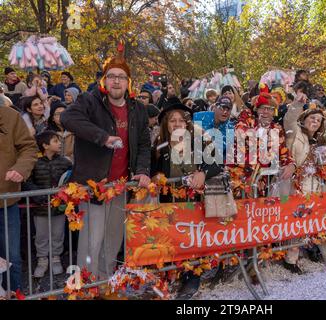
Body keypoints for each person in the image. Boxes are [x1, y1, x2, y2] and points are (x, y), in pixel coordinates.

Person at [60, 45, 151, 279]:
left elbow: (143, 144)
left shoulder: (137, 109)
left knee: (113, 240)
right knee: (92, 242)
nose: (117, 81)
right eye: (111, 76)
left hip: (121, 186)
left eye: (121, 77)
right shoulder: (90, 100)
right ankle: (85, 288)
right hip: (94, 186)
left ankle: (105, 284)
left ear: (128, 82)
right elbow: (68, 118)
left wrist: (141, 171)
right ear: (104, 80)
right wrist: (102, 137)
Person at [151, 102, 222, 299]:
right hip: (169, 202)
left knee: (193, 239)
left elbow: (217, 163)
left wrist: (203, 173)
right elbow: (152, 170)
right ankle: (172, 273)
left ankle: (192, 277)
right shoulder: (159, 144)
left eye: (181, 120)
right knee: (172, 237)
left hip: (195, 201)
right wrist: (155, 176)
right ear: (166, 124)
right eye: (172, 121)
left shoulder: (199, 139)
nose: (177, 124)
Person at [283, 92, 326, 273]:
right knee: (294, 222)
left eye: (318, 120)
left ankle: (297, 253)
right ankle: (289, 259)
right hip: (294, 185)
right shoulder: (295, 132)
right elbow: (289, 120)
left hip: (312, 186)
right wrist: (296, 105)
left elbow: (323, 165)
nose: (315, 122)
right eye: (312, 118)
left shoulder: (320, 141)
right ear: (305, 118)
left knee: (305, 223)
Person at [22, 130, 72, 278]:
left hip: (59, 207)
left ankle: (56, 258)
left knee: (58, 234)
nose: (59, 143)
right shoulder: (35, 163)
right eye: (55, 141)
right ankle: (42, 260)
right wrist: (39, 196)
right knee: (41, 236)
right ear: (45, 145)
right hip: (40, 208)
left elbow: (71, 179)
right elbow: (27, 181)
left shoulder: (64, 162)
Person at [0, 102, 39, 292]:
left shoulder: (10, 116)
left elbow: (29, 148)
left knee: (11, 257)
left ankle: (13, 293)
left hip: (6, 201)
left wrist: (20, 169)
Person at [193, 96, 235, 161]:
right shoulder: (199, 117)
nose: (225, 112)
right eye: (222, 108)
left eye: (228, 109)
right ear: (214, 107)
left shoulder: (230, 129)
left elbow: (222, 153)